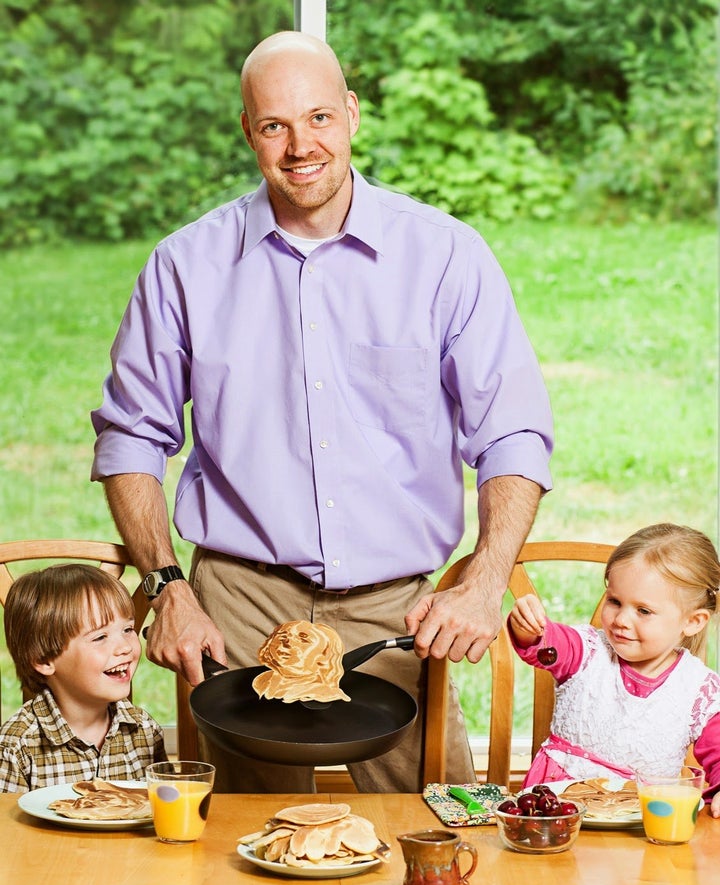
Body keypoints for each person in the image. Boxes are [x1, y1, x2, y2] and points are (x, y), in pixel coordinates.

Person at [90, 30, 553, 793]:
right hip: (239, 602)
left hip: (402, 611)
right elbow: (131, 436)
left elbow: (511, 433)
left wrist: (482, 580)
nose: (300, 144)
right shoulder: (184, 266)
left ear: (352, 115)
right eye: (274, 124)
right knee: (244, 850)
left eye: (318, 119)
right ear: (248, 132)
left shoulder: (445, 255)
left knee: (441, 825)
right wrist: (168, 586)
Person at [508, 523, 720, 815]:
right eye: (614, 601)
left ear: (693, 621)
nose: (621, 619)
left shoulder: (699, 690)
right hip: (555, 816)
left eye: (643, 611)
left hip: (641, 826)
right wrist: (529, 630)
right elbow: (550, 646)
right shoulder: (588, 650)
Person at [0, 564, 167, 793]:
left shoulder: (146, 730)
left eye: (127, 629)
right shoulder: (15, 746)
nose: (125, 647)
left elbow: (160, 811)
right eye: (100, 637)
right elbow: (7, 827)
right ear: (45, 660)